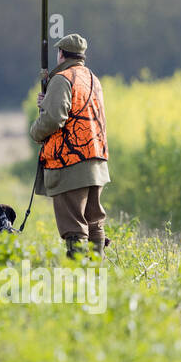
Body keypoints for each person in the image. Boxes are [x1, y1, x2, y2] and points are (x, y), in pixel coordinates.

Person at [28, 34, 110, 258]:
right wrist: (47, 102)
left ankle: (79, 274)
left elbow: (55, 118)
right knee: (94, 222)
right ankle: (96, 273)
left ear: (62, 54)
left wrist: (35, 132)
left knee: (74, 226)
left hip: (71, 162)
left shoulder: (62, 78)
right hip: (97, 161)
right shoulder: (92, 78)